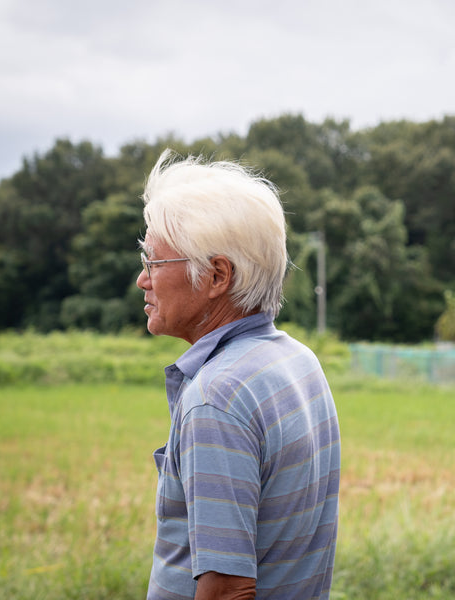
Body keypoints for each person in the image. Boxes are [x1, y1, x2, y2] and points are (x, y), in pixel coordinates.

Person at [136, 149, 340, 600]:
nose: (142, 280)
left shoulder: (217, 398)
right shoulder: (297, 360)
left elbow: (228, 589)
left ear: (216, 276)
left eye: (153, 262)